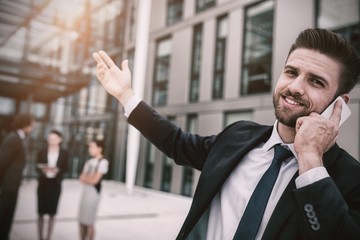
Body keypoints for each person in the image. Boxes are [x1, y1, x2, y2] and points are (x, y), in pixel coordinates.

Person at [92, 28, 360, 239]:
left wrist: (311, 160)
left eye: (315, 81)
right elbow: (177, 143)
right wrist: (125, 95)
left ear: (340, 104)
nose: (295, 87)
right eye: (291, 72)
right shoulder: (238, 135)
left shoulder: (351, 180)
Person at [0, 113, 34, 240]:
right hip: (8, 185)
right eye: (31, 124)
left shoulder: (20, 138)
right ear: (25, 124)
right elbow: (2, 162)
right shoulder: (13, 138)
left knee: (8, 215)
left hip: (13, 185)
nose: (33, 127)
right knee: (3, 214)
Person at [36, 129, 69, 240]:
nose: (51, 140)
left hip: (55, 185)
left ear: (60, 139)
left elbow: (66, 168)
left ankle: (48, 237)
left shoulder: (64, 152)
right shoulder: (42, 151)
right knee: (40, 212)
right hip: (43, 184)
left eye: (54, 138)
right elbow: (36, 165)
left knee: (52, 213)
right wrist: (43, 170)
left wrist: (58, 171)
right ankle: (40, 237)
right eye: (50, 138)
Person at [78, 139, 109, 240]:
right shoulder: (89, 161)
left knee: (89, 221)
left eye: (92, 147)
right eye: (89, 147)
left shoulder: (103, 161)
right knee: (81, 220)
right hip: (85, 193)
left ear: (100, 148)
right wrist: (89, 178)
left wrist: (88, 178)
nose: (90, 149)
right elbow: (81, 178)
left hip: (94, 194)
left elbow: (95, 180)